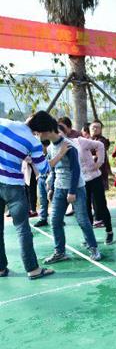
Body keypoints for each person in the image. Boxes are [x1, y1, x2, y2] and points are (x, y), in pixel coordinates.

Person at [37, 116, 102, 264]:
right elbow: (53, 169)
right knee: (55, 221)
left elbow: (75, 170)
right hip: (59, 188)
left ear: (47, 131)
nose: (38, 135)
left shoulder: (69, 146)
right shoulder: (51, 147)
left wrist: (72, 191)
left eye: (39, 132)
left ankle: (93, 248)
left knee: (83, 220)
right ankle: (59, 252)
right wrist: (51, 188)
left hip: (76, 189)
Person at [0, 114, 52, 279]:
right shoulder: (34, 143)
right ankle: (33, 269)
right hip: (14, 187)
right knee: (23, 230)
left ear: (31, 117)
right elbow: (44, 169)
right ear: (41, 130)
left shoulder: (3, 123)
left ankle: (0, 268)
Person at [74, 129, 114, 245]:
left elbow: (100, 145)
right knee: (86, 208)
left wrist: (99, 162)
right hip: (82, 181)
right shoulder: (62, 145)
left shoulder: (80, 141)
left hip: (95, 177)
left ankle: (109, 231)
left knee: (101, 206)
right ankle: (90, 236)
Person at [90, 120, 111, 193]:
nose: (95, 129)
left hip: (100, 171)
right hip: (90, 171)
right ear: (90, 128)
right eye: (93, 127)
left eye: (97, 127)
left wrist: (91, 157)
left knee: (98, 194)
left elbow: (97, 156)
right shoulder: (89, 139)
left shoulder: (101, 141)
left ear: (101, 130)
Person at [33, 139, 51, 227]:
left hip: (50, 179)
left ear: (45, 146)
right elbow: (35, 165)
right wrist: (37, 176)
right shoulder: (40, 155)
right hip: (41, 179)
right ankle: (43, 218)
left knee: (53, 199)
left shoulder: (51, 154)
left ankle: (58, 219)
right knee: (42, 200)